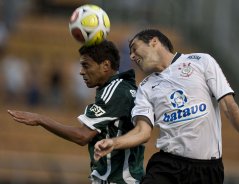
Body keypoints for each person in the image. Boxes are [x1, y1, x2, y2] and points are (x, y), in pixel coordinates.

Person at [93, 29, 239, 184]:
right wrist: (114, 143)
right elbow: (143, 131)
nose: (132, 56)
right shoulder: (145, 87)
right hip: (168, 166)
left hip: (207, 170)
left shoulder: (201, 61)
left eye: (135, 48)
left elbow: (228, 106)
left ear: (154, 42)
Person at [7, 40, 145, 184]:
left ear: (105, 65)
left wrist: (40, 119)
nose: (81, 72)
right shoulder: (124, 87)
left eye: (86, 65)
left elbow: (82, 136)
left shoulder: (116, 91)